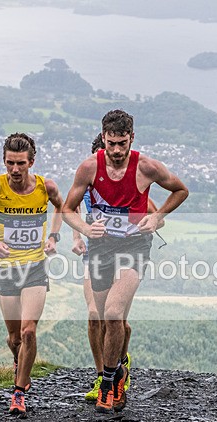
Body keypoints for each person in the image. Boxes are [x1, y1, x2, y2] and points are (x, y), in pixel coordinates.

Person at [62, 110, 188, 413]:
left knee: (115, 313)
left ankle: (108, 385)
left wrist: (157, 217)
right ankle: (116, 370)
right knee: (101, 316)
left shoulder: (146, 167)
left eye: (122, 143)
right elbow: (67, 209)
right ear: (103, 138)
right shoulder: (89, 168)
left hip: (134, 246)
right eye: (111, 143)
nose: (117, 150)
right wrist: (83, 230)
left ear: (132, 138)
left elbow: (180, 190)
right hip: (101, 246)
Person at [0, 132, 64, 415]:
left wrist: (54, 237)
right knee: (14, 338)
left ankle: (19, 393)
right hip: (6, 269)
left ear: (32, 162)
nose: (15, 169)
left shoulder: (46, 187)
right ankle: (19, 362)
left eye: (21, 163)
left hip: (34, 267)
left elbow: (63, 206)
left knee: (29, 331)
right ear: (4, 161)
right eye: (10, 163)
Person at [71, 133, 164, 402]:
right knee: (94, 314)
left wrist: (150, 222)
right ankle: (103, 376)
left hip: (126, 252)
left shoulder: (129, 183)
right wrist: (78, 237)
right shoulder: (89, 177)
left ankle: (118, 368)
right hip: (95, 251)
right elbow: (70, 209)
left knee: (117, 318)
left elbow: (156, 216)